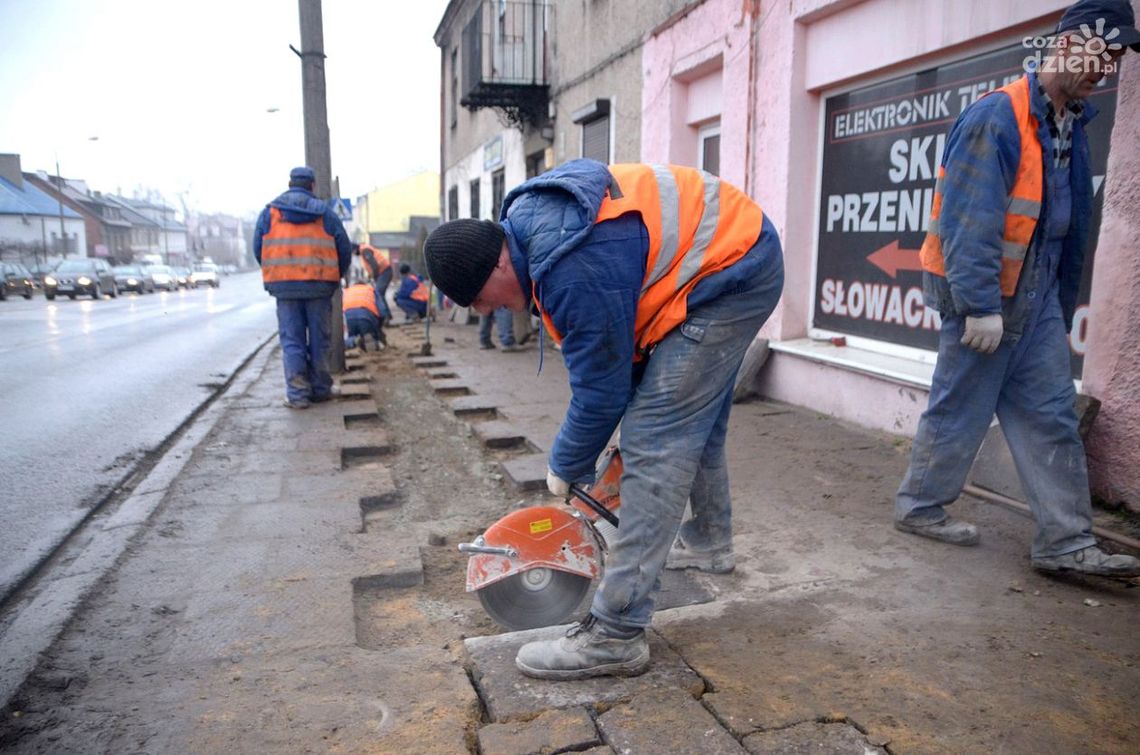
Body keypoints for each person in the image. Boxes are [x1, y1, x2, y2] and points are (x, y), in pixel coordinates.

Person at [424, 160, 783, 680]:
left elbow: (601, 390)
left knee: (656, 439)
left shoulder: (570, 267)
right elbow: (619, 352)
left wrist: (567, 461)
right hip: (724, 254)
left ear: (498, 267)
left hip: (733, 272)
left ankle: (616, 635)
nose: (485, 314)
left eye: (480, 301)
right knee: (690, 419)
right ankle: (709, 541)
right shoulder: (537, 237)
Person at [894, 0, 1140, 577]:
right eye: (1101, 54)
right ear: (1071, 42)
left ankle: (1065, 541)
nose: (1105, 70)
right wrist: (980, 306)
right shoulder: (998, 117)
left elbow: (1062, 223)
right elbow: (969, 221)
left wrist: (1054, 304)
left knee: (1052, 415)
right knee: (959, 410)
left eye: (1114, 61)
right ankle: (920, 507)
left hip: (1037, 299)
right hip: (988, 299)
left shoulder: (1072, 122)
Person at [253, 166, 352, 409]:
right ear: (312, 186)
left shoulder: (270, 213)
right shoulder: (326, 214)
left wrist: (277, 272)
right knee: (320, 339)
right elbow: (344, 248)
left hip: (285, 287)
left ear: (290, 184)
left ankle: (297, 394)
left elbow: (258, 248)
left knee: (292, 340)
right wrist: (334, 275)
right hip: (319, 285)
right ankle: (320, 389)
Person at [343, 274, 386, 351]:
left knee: (349, 337)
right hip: (366, 317)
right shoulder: (371, 289)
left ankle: (354, 341)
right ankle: (374, 341)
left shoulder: (347, 290)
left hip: (348, 319)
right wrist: (379, 327)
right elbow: (382, 310)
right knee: (372, 334)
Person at [360, 242, 394, 325]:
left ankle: (385, 316)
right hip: (384, 271)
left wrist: (375, 277)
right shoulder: (365, 250)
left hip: (384, 271)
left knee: (378, 293)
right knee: (380, 294)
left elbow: (375, 266)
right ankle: (387, 315)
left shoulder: (365, 250)